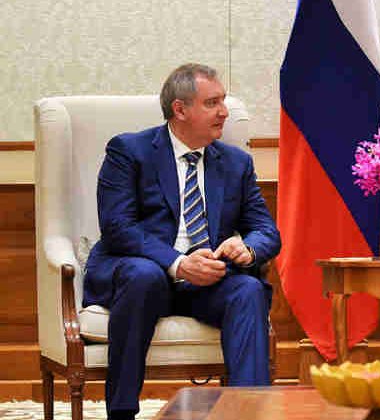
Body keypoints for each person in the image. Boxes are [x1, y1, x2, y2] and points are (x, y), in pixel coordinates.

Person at [83, 63, 281, 420]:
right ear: (180, 109)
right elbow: (117, 227)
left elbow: (266, 230)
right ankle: (122, 411)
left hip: (208, 281)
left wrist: (247, 247)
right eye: (213, 103)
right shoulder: (130, 151)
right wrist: (178, 263)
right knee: (143, 275)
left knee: (248, 290)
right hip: (146, 274)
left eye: (224, 102)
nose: (224, 112)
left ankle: (250, 412)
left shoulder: (236, 163)